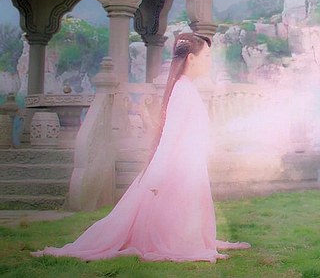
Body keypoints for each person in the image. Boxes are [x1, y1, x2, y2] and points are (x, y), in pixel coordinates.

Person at [32, 33, 250, 262]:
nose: (210, 61)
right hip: (179, 167)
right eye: (206, 56)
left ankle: (193, 240)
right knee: (163, 220)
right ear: (191, 59)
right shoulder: (182, 90)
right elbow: (169, 136)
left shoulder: (187, 88)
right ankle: (181, 244)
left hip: (189, 164)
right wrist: (156, 175)